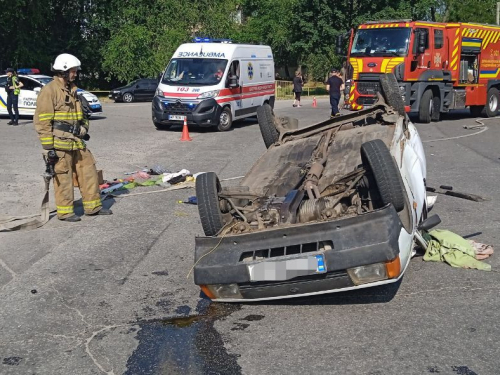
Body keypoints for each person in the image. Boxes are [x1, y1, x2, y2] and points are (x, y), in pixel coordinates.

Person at [34, 53, 112, 222]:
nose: (75, 74)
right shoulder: (49, 91)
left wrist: (84, 126)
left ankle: (93, 207)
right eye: (73, 71)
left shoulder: (74, 90)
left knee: (89, 170)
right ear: (63, 71)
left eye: (76, 71)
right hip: (60, 144)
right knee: (63, 177)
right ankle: (66, 212)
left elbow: (82, 116)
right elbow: (42, 122)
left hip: (76, 141)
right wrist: (49, 149)